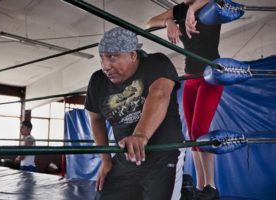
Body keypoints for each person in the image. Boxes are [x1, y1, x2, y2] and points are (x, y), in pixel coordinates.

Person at [85, 27, 184, 200]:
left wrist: (140, 134)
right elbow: (95, 119)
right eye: (102, 58)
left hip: (162, 155)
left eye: (112, 57)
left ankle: (185, 189)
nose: (105, 66)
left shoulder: (156, 63)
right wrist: (106, 160)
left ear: (132, 55)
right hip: (127, 158)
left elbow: (160, 94)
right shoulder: (97, 81)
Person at [147, 1, 223, 199]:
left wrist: (192, 9)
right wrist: (168, 22)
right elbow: (149, 22)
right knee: (192, 134)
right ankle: (200, 186)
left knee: (200, 131)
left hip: (211, 75)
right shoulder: (178, 9)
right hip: (190, 78)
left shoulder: (211, 4)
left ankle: (212, 187)